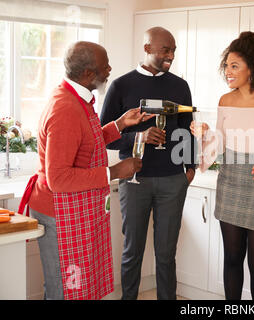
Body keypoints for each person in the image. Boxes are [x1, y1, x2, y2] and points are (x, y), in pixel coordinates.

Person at [18, 41, 153, 300]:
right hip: (59, 213)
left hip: (72, 210)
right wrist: (115, 171)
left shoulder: (75, 98)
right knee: (65, 289)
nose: (110, 69)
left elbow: (85, 141)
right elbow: (58, 178)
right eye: (105, 67)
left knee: (77, 285)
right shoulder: (65, 109)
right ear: (88, 74)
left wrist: (120, 124)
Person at [191, 31, 254, 300]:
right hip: (231, 183)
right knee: (233, 258)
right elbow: (219, 144)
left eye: (234, 66)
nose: (228, 71)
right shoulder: (226, 100)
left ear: (253, 67)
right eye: (226, 65)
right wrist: (204, 133)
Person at [100, 27, 195, 300]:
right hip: (134, 180)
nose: (171, 55)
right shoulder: (121, 85)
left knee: (166, 255)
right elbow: (105, 138)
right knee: (132, 252)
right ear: (147, 48)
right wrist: (137, 138)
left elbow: (188, 129)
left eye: (174, 50)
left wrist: (189, 169)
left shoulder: (180, 86)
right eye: (166, 49)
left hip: (172, 180)